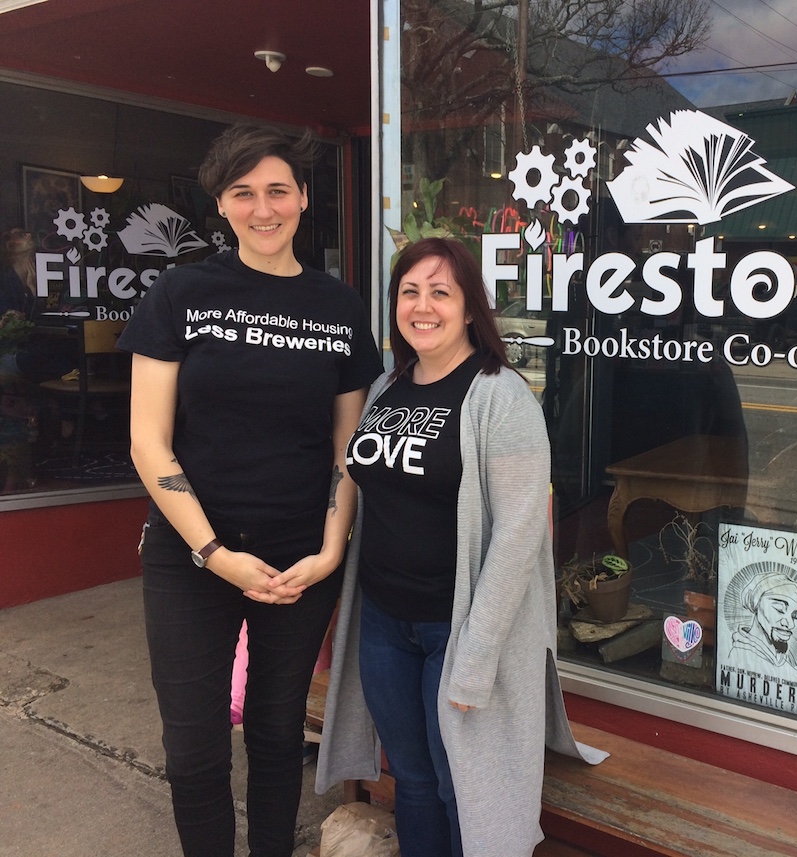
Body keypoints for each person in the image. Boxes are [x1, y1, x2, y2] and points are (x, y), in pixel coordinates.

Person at [117, 124, 382, 857]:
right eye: (243, 193)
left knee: (274, 731)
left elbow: (347, 447)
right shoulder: (182, 291)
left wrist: (332, 548)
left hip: (301, 557)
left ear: (302, 197)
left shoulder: (338, 306)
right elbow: (148, 440)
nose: (262, 209)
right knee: (194, 746)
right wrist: (212, 550)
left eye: (276, 190)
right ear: (222, 205)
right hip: (189, 556)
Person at [316, 237, 605, 857]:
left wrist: (476, 655)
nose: (423, 306)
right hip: (385, 624)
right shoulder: (384, 390)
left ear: (471, 309)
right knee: (412, 780)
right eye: (409, 291)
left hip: (458, 629)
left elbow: (521, 533)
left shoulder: (501, 397)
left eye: (440, 292)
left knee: (461, 785)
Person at [731, 569, 797, 669]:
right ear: (757, 604)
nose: (790, 624)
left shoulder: (788, 669)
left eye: (794, 615)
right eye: (780, 609)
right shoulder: (738, 657)